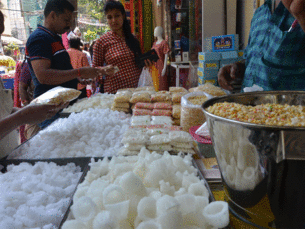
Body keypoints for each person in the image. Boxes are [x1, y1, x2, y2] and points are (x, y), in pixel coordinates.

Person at [26, 0, 114, 129]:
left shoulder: (54, 37)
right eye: (66, 20)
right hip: (50, 110)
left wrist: (76, 78)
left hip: (63, 107)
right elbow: (43, 76)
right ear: (52, 15)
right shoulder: (39, 38)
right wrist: (79, 72)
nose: (69, 25)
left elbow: (58, 69)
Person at [0, 10, 67, 158]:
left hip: (8, 157)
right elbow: (25, 85)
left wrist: (31, 111)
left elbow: (3, 111)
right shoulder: (38, 40)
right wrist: (23, 115)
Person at [218, 0, 305, 92]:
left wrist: (301, 16)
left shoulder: (300, 8)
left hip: (286, 105)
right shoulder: (260, 12)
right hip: (247, 104)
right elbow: (254, 59)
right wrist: (237, 68)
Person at [93, 0, 152, 94]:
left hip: (136, 92)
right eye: (109, 17)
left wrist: (146, 63)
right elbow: (93, 70)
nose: (113, 20)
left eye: (117, 15)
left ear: (123, 16)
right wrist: (104, 70)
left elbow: (137, 64)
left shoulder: (133, 39)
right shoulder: (101, 42)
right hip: (114, 94)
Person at [152, 26, 170, 91]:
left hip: (161, 65)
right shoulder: (154, 43)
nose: (154, 32)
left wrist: (164, 68)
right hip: (154, 66)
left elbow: (166, 55)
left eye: (155, 31)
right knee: (155, 83)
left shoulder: (164, 43)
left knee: (161, 83)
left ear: (159, 32)